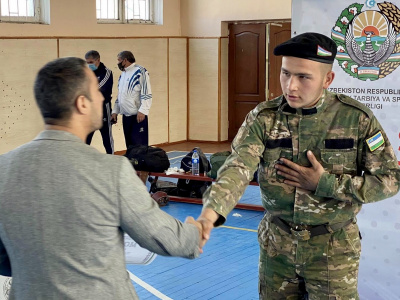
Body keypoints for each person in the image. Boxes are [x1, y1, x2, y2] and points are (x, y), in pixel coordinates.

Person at [197, 32, 400, 299]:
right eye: (285, 74)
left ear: (327, 79)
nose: (290, 86)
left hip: (333, 250)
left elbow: (390, 180)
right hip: (276, 248)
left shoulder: (356, 119)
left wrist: (324, 183)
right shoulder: (264, 119)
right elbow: (237, 168)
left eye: (303, 77)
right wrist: (210, 215)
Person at [0, 57, 203, 300]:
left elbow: (4, 260)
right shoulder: (110, 171)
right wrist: (195, 232)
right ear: (82, 103)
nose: (103, 98)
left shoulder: (4, 168)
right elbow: (166, 238)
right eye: (97, 90)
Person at [111, 51, 152, 148]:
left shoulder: (140, 71)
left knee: (139, 146)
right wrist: (115, 111)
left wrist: (143, 110)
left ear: (125, 60)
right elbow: (120, 96)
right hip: (126, 116)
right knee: (129, 146)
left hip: (137, 116)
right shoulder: (123, 75)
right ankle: (132, 163)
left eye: (119, 60)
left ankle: (141, 163)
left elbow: (146, 92)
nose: (118, 63)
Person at [84, 50, 114, 154]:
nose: (89, 65)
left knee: (107, 139)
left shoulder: (106, 72)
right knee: (85, 139)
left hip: (103, 109)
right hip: (90, 111)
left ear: (98, 60)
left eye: (91, 62)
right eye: (87, 62)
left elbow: (96, 90)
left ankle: (112, 160)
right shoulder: (86, 73)